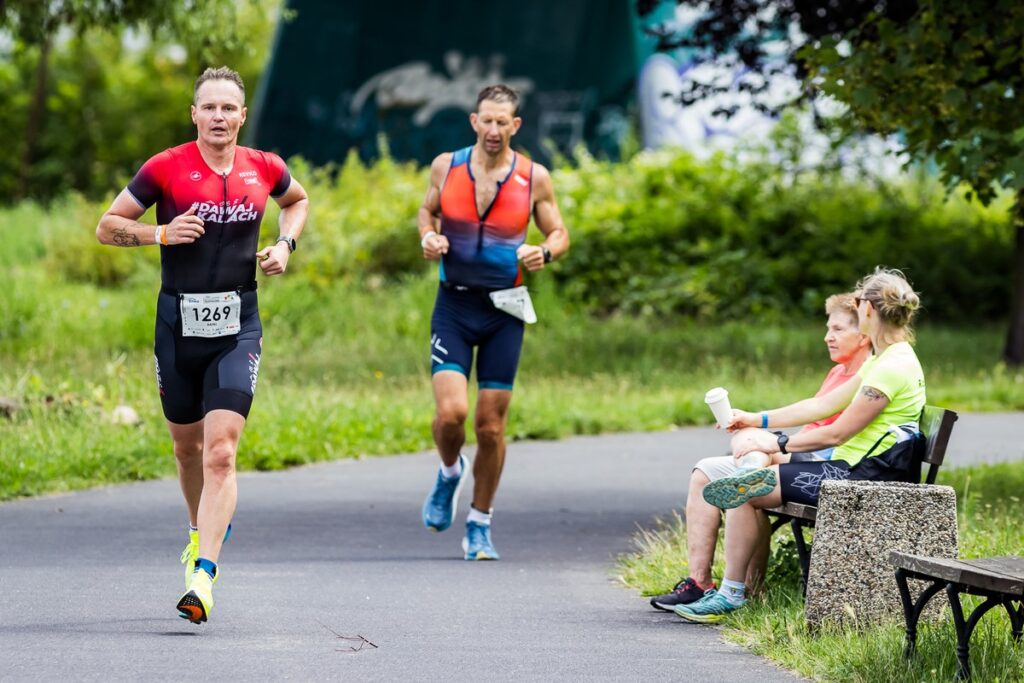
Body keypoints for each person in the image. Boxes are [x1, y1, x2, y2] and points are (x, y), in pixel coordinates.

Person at [95, 66, 309, 624]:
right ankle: (198, 531)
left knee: (221, 453)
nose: (218, 117)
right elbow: (106, 225)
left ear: (242, 115)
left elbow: (298, 201)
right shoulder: (166, 167)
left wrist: (285, 245)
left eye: (228, 108)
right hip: (178, 325)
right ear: (195, 114)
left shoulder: (266, 167)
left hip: (239, 323)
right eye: (208, 107)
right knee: (187, 450)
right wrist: (159, 233)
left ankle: (203, 577)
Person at [674, 267, 925, 623]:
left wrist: (777, 441)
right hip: (852, 468)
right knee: (745, 486)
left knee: (746, 489)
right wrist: (756, 419)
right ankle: (733, 591)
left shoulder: (891, 367)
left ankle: (731, 595)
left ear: (868, 309)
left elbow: (835, 434)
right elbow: (820, 406)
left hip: (861, 475)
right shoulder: (889, 359)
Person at [417, 84, 570, 560]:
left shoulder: (533, 176)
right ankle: (448, 473)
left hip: (505, 310)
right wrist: (428, 236)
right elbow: (427, 210)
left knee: (490, 426)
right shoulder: (447, 165)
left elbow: (560, 232)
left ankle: (479, 523)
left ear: (515, 126)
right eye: (487, 120)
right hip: (455, 305)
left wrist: (543, 251)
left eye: (503, 122)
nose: (494, 129)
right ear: (474, 121)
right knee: (451, 415)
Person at [650, 293, 872, 611]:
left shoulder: (868, 376)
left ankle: (744, 592)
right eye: (828, 328)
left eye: (836, 329)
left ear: (863, 334)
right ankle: (699, 583)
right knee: (704, 472)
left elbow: (833, 439)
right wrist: (757, 430)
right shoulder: (839, 372)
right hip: (801, 455)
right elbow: (812, 416)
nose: (827, 337)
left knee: (748, 479)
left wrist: (769, 443)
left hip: (830, 465)